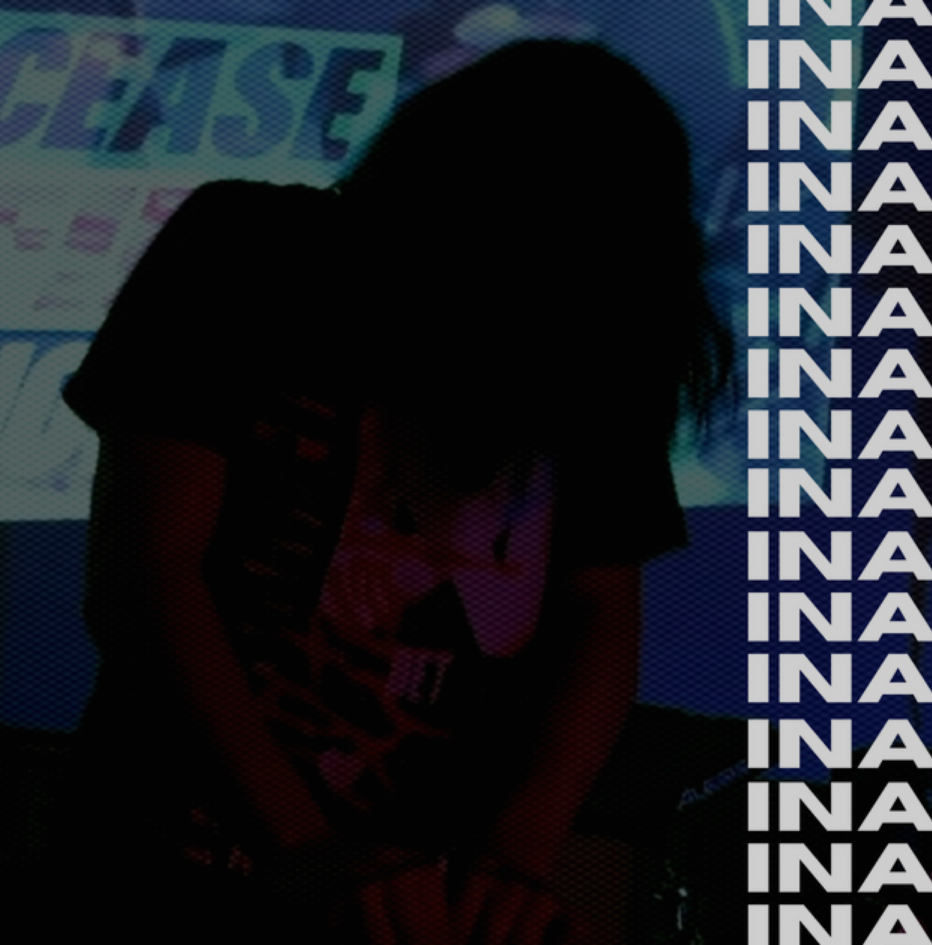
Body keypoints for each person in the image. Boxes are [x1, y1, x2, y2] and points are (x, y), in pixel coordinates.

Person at [50, 39, 731, 944]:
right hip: (169, 874)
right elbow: (147, 574)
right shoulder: (248, 252)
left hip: (427, 905)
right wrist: (300, 847)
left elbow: (599, 608)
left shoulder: (598, 344)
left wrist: (517, 855)